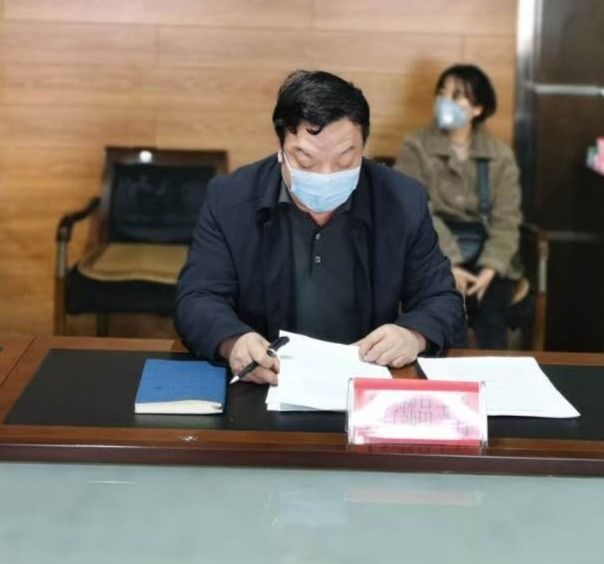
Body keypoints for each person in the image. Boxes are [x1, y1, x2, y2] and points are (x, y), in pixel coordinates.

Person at [176, 70, 464, 384]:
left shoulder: (402, 201)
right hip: (267, 381)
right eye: (306, 160)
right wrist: (234, 342)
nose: (326, 175)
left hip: (366, 381)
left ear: (363, 148)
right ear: (281, 148)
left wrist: (413, 335)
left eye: (344, 160)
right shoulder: (231, 199)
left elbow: (442, 299)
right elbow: (197, 298)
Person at [395, 64, 523, 349]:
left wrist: (490, 268)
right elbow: (413, 209)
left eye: (456, 96)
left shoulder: (500, 155)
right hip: (431, 250)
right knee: (444, 313)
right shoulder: (416, 146)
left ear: (477, 108)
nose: (445, 101)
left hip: (488, 254)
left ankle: (495, 374)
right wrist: (450, 263)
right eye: (442, 93)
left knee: (491, 315)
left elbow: (507, 218)